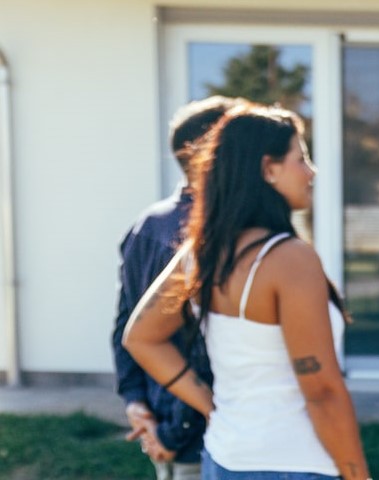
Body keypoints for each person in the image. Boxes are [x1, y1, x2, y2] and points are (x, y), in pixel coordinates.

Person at [123, 104, 371, 480]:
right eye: (301, 158)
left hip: (226, 458)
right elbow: (321, 390)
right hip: (294, 464)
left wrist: (211, 407)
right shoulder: (290, 259)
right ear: (269, 169)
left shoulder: (203, 252)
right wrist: (357, 475)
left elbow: (141, 338)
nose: (311, 172)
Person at [112, 95, 240, 480]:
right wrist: (176, 430)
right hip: (197, 432)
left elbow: (125, 325)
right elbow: (194, 342)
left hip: (163, 422)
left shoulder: (147, 223)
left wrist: (135, 401)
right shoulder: (208, 233)